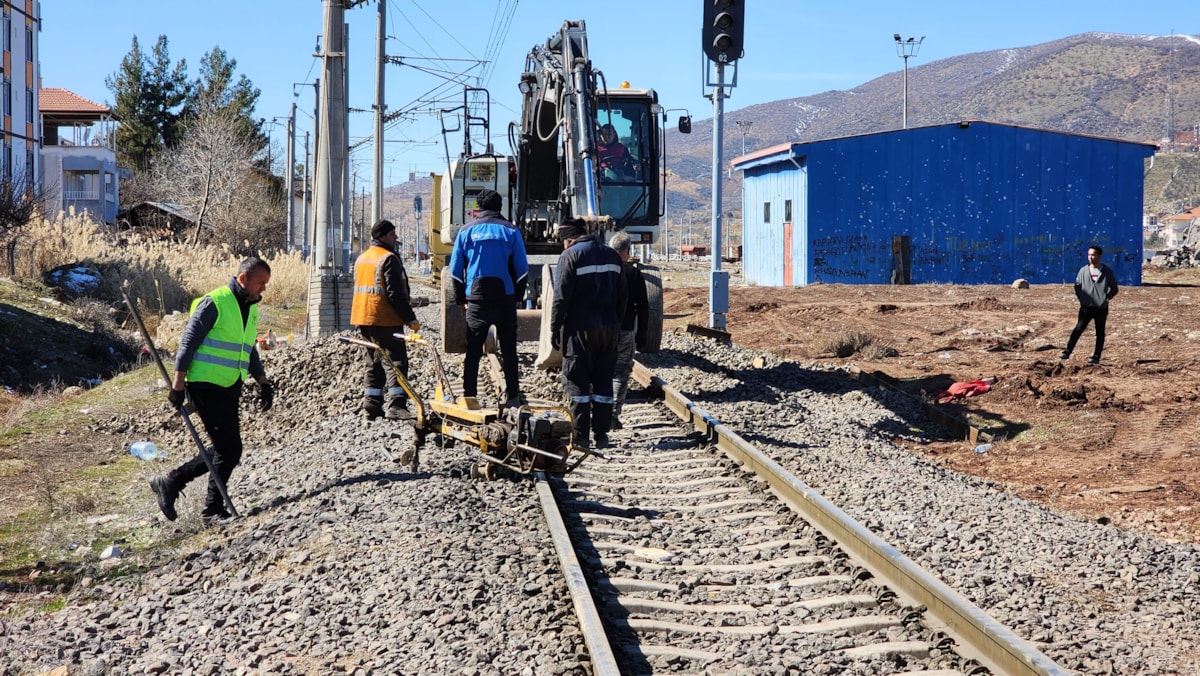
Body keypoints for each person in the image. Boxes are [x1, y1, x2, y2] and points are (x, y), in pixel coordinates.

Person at [149, 257, 275, 524]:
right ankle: (208, 506)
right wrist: (177, 386)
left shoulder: (250, 308)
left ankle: (173, 483)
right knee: (229, 449)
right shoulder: (215, 302)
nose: (264, 288)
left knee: (226, 448)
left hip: (229, 385)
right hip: (205, 385)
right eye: (260, 283)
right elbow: (187, 344)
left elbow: (248, 348)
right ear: (243, 279)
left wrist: (262, 381)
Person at [448, 189, 530, 407]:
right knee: (509, 351)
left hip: (476, 300)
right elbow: (522, 269)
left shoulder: (466, 231)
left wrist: (461, 300)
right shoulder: (511, 230)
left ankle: (469, 396)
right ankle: (513, 397)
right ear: (500, 207)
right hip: (505, 299)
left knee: (473, 352)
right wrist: (517, 296)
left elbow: (455, 271)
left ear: (478, 208)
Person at [550, 219, 627, 450]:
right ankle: (601, 435)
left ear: (569, 239)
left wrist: (555, 327)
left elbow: (561, 296)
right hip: (609, 327)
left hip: (580, 328)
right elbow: (623, 295)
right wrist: (616, 324)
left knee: (577, 380)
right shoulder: (612, 255)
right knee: (603, 379)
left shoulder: (570, 255)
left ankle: (581, 437)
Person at [351, 219, 420, 420]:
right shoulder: (388, 258)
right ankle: (396, 405)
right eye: (392, 234)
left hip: (363, 318)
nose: (395, 237)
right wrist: (410, 318)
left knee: (373, 362)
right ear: (382, 237)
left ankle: (372, 403)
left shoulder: (362, 258)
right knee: (395, 361)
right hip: (385, 319)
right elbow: (395, 294)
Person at [607, 232, 649, 430]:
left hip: (601, 330)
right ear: (627, 250)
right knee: (620, 372)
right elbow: (643, 307)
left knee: (600, 371)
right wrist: (642, 334)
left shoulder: (603, 270)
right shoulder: (633, 273)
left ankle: (596, 414)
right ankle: (612, 416)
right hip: (625, 329)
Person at [1061, 245, 1119, 365]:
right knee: (1078, 329)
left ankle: (1096, 356)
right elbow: (1077, 286)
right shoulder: (1083, 271)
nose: (1091, 257)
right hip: (1086, 307)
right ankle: (1067, 351)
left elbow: (1114, 288)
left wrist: (1106, 299)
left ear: (1099, 256)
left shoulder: (1107, 272)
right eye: (1089, 255)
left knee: (1100, 332)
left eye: (1093, 255)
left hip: (1101, 308)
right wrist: (1081, 298)